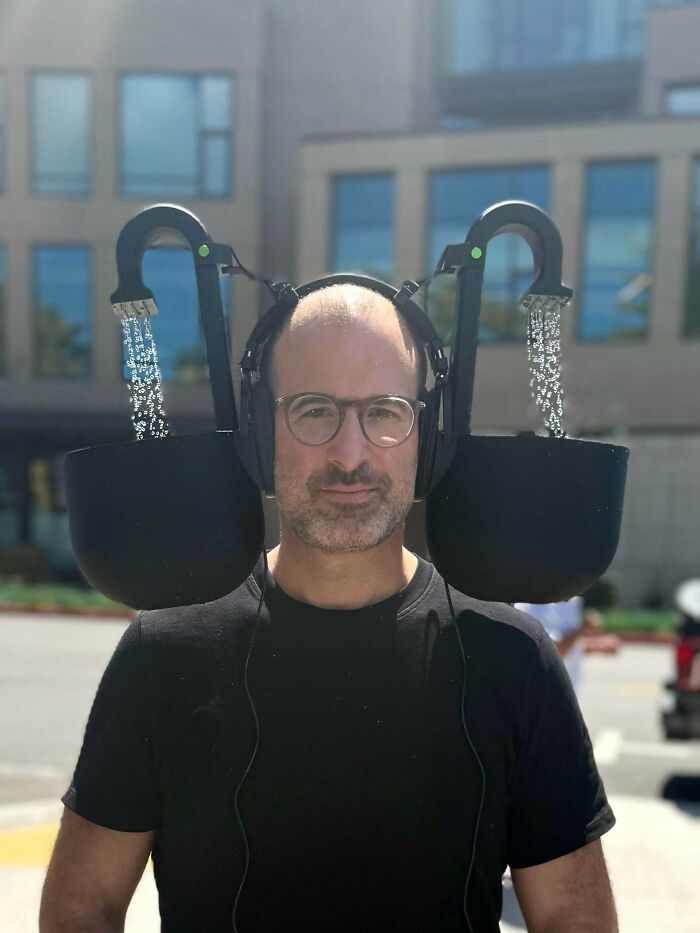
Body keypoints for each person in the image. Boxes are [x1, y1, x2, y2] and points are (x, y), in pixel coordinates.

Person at [41, 283, 618, 932]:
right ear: (259, 434)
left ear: (425, 435)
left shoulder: (515, 661)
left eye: (385, 410)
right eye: (314, 410)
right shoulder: (163, 652)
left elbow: (575, 917)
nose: (351, 454)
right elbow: (80, 908)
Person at [514, 597, 620, 694]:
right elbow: (551, 655)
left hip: (567, 693)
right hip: (547, 695)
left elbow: (568, 647)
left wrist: (597, 646)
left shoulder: (568, 602)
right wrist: (582, 629)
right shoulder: (532, 607)